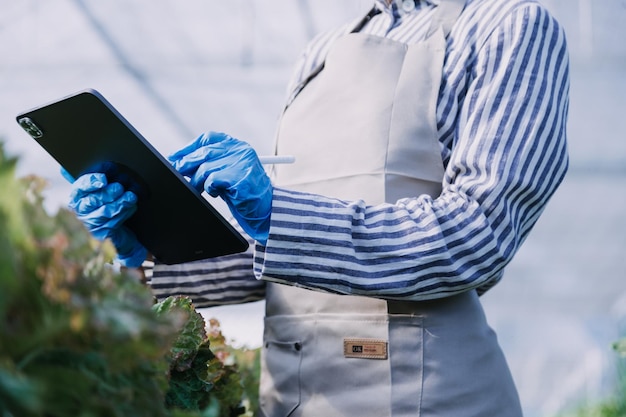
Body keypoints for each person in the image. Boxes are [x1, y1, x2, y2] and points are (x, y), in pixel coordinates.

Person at [67, 0, 570, 415]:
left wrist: (275, 215)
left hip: (428, 396)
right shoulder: (322, 51)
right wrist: (145, 260)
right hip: (294, 394)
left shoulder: (509, 26)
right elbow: (279, 257)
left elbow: (476, 234)